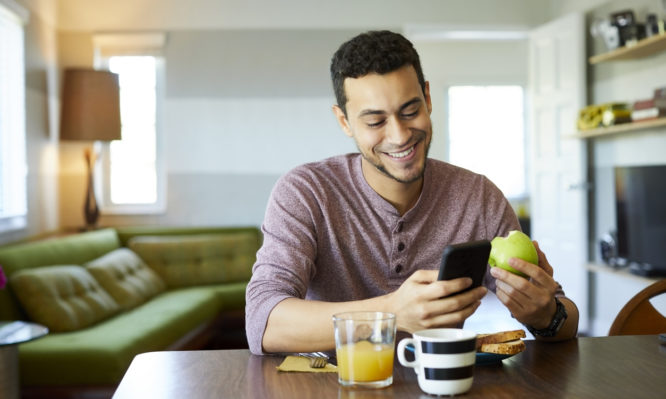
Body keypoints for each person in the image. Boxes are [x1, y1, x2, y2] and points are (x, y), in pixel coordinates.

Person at [245, 30, 578, 355]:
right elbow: (263, 321)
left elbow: (564, 317)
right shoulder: (305, 192)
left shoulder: (479, 197)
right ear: (344, 121)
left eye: (410, 111)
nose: (400, 135)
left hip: (441, 386)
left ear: (428, 98)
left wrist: (544, 313)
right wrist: (390, 312)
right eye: (375, 121)